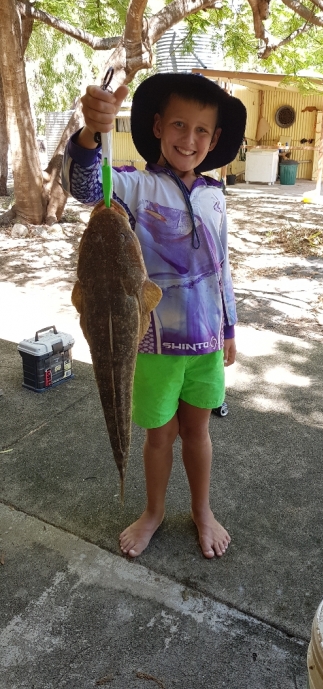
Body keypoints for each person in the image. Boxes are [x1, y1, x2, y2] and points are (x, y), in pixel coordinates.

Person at [62, 73, 246, 559]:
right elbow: (84, 185)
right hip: (155, 347)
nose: (190, 139)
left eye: (202, 130)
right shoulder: (135, 187)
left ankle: (202, 511)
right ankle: (154, 511)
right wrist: (90, 134)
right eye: (179, 126)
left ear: (216, 139)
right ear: (159, 127)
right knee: (159, 436)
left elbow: (222, 267)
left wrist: (228, 327)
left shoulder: (215, 194)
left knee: (198, 433)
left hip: (206, 344)